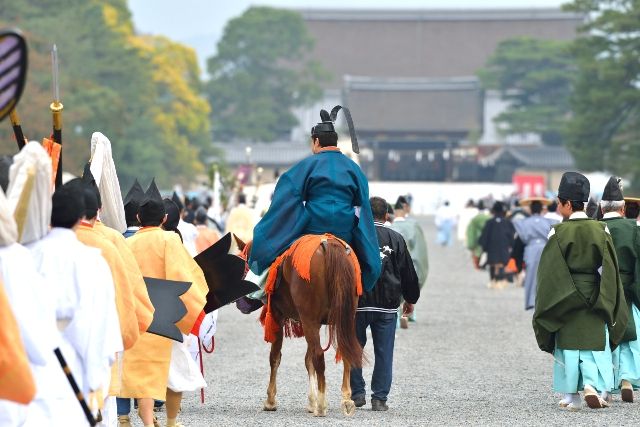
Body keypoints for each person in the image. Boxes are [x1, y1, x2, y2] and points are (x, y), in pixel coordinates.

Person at [248, 107, 381, 294]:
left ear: (316, 141)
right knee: (367, 262)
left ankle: (264, 293)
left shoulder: (305, 166)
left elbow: (286, 197)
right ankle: (364, 294)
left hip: (312, 228)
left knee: (279, 262)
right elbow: (363, 204)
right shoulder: (354, 169)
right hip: (345, 231)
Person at [28, 182, 122, 424]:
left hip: (30, 362)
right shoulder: (91, 261)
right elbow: (97, 323)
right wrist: (94, 377)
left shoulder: (27, 256)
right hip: (74, 362)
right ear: (80, 216)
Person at [533, 172, 627, 411]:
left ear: (566, 203)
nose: (557, 206)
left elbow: (549, 272)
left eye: (558, 202)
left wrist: (556, 298)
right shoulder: (601, 229)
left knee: (568, 346)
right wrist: (606, 297)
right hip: (596, 294)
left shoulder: (558, 232)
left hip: (566, 296)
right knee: (594, 345)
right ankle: (592, 386)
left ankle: (571, 397)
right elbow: (610, 268)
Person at [119, 179, 207, 427]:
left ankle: (144, 421)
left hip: (138, 315)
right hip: (168, 313)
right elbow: (187, 279)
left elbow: (123, 280)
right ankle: (170, 420)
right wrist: (189, 315)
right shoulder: (170, 240)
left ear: (137, 216)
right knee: (174, 372)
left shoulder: (127, 243)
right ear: (164, 219)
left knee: (142, 371)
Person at [350, 197, 420, 411]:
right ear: (387, 215)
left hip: (358, 303)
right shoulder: (396, 238)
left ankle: (357, 393)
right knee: (384, 352)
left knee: (354, 349)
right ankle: (379, 398)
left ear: (366, 215)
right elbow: (408, 273)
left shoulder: (354, 238)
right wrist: (410, 299)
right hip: (387, 306)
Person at [599, 176, 640, 403]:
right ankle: (627, 379)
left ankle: (606, 383)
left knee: (605, 337)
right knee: (630, 336)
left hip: (603, 290)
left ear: (602, 208)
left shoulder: (596, 227)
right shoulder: (633, 229)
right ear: (623, 208)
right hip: (628, 289)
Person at [390, 197, 428, 326]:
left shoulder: (391, 227)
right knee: (410, 287)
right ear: (406, 208)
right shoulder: (413, 226)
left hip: (392, 265)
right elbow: (419, 251)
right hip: (409, 263)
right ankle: (407, 314)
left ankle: (397, 314)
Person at [513, 198, 553, 310]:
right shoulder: (549, 222)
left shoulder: (523, 223)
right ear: (542, 209)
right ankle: (545, 301)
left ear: (530, 209)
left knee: (530, 276)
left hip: (531, 249)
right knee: (545, 276)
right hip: (545, 248)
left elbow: (523, 237)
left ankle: (530, 301)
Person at [478, 201, 515, 289]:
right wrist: (511, 246)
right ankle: (500, 281)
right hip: (503, 247)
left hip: (492, 248)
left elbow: (484, 236)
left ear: (493, 211)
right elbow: (512, 236)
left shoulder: (489, 222)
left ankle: (492, 280)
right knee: (501, 264)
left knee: (492, 264)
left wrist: (484, 247)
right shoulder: (507, 222)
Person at [466, 200, 490, 270]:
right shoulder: (488, 217)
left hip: (477, 236)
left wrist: (470, 243)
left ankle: (477, 266)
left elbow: (470, 230)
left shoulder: (475, 218)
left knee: (477, 252)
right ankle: (483, 265)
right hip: (487, 238)